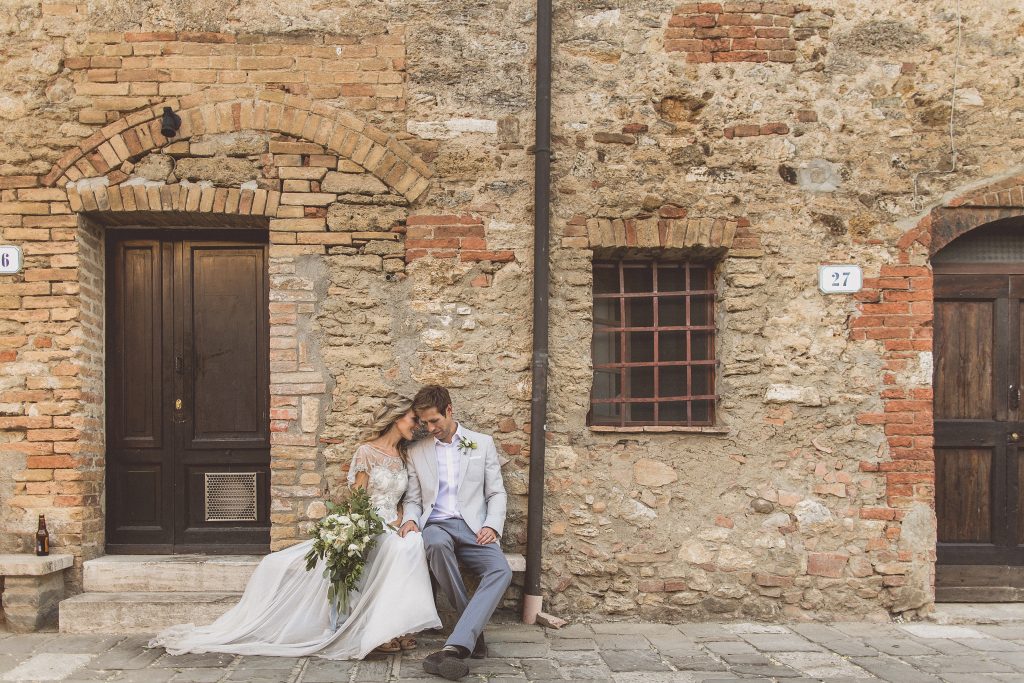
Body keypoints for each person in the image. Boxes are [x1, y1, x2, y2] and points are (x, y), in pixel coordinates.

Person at [149, 397, 441, 659]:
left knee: (410, 544)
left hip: (394, 523)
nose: (417, 426)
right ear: (396, 418)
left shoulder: (405, 455)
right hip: (369, 524)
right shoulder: (367, 452)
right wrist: (369, 526)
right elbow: (357, 501)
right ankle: (381, 631)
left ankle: (397, 626)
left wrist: (402, 519)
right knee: (283, 563)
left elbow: (404, 499)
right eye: (413, 419)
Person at [399, 385, 512, 681]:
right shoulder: (416, 451)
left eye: (435, 421)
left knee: (501, 570)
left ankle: (457, 644)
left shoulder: (481, 443)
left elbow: (496, 492)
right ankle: (469, 636)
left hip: (474, 527)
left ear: (449, 410)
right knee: (434, 545)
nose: (430, 428)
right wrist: (410, 519)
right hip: (436, 525)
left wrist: (491, 525)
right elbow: (412, 498)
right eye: (424, 423)